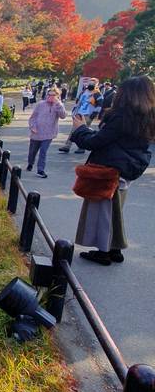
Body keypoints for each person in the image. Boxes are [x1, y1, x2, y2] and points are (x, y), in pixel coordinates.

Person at [70, 76, 155, 265]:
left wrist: (80, 129)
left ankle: (104, 252)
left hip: (109, 169)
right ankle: (114, 248)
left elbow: (95, 142)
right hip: (129, 168)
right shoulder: (148, 117)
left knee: (103, 212)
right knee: (116, 210)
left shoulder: (123, 117)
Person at [27, 88, 66, 178]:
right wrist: (33, 127)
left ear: (57, 96)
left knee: (43, 151)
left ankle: (40, 170)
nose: (50, 97)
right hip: (36, 132)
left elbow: (63, 116)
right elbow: (33, 117)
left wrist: (58, 104)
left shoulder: (58, 105)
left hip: (49, 133)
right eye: (49, 95)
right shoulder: (41, 104)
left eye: (53, 95)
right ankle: (30, 163)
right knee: (33, 151)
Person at [58, 82, 99, 153]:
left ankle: (81, 148)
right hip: (79, 113)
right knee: (73, 130)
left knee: (83, 131)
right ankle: (67, 146)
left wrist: (93, 115)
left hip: (87, 115)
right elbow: (78, 102)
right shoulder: (84, 92)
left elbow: (100, 105)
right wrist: (74, 111)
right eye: (90, 83)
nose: (90, 85)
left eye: (93, 83)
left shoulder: (97, 94)